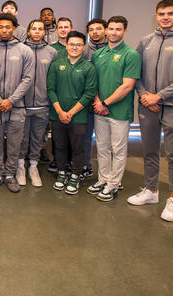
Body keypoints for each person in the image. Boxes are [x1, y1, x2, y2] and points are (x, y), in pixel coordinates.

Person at [127, 0, 173, 222]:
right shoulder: (146, 41)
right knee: (149, 151)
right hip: (148, 106)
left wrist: (159, 96)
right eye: (161, 14)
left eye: (170, 13)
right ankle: (151, 191)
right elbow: (135, 73)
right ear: (156, 16)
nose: (165, 17)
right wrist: (146, 96)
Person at [86, 16, 140, 202]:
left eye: (118, 29)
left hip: (119, 112)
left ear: (124, 31)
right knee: (102, 147)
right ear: (106, 30)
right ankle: (103, 179)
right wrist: (98, 102)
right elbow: (92, 83)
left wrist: (105, 103)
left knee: (118, 149)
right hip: (99, 109)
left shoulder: (131, 55)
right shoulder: (98, 55)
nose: (114, 32)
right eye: (111, 29)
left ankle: (113, 184)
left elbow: (127, 86)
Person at [0, 13, 34, 193]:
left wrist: (11, 100)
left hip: (17, 107)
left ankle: (10, 174)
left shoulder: (24, 51)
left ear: (14, 28)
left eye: (8, 27)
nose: (4, 30)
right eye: (1, 27)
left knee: (14, 143)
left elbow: (28, 79)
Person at [47, 31, 97, 195]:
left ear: (83, 47)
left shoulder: (88, 67)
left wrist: (71, 112)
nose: (74, 47)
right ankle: (61, 173)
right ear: (66, 45)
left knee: (77, 148)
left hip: (79, 116)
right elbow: (51, 89)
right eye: (71, 44)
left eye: (78, 44)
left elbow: (89, 94)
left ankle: (75, 175)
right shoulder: (56, 64)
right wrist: (60, 111)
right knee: (59, 145)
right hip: (57, 115)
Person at [17, 20, 57, 187]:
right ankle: (20, 167)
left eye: (40, 29)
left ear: (44, 32)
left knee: (38, 138)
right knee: (21, 138)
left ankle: (33, 167)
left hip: (42, 104)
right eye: (33, 28)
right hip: (22, 104)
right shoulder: (19, 50)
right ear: (28, 31)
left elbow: (54, 79)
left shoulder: (52, 52)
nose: (37, 31)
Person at [81, 18, 108, 179]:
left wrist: (105, 101)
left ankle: (109, 176)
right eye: (91, 30)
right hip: (87, 101)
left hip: (108, 101)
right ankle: (86, 165)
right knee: (85, 136)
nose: (95, 32)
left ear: (105, 30)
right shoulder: (84, 50)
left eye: (98, 29)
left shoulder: (111, 49)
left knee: (107, 141)